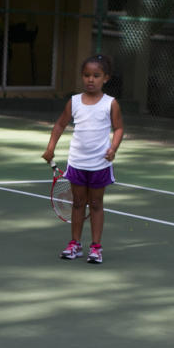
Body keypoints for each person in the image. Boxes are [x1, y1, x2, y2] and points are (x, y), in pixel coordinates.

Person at [42, 54, 124, 264]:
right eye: (87, 75)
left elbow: (119, 128)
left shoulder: (110, 104)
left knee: (96, 204)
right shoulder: (74, 102)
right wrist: (50, 147)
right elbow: (60, 124)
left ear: (105, 78)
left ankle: (96, 247)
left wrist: (113, 148)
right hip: (77, 162)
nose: (90, 79)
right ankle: (75, 244)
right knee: (78, 203)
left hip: (99, 164)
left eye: (96, 76)